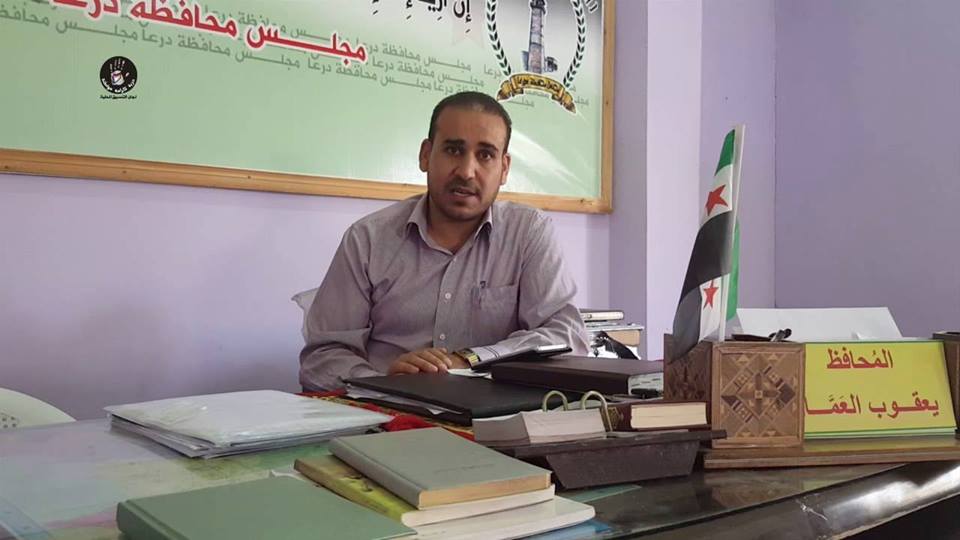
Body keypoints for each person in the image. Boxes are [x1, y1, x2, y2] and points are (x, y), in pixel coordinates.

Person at [300, 91, 588, 391]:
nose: (466, 171)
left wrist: (470, 359)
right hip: (386, 411)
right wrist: (381, 383)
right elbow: (322, 357)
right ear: (425, 155)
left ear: (504, 169)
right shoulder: (368, 240)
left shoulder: (528, 233)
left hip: (495, 412)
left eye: (485, 155)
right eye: (453, 150)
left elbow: (566, 335)